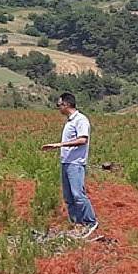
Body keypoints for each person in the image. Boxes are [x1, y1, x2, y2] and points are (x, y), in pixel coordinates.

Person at [42, 92, 98, 238]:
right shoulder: (69, 121)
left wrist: (58, 145)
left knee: (78, 194)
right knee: (69, 197)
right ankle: (77, 224)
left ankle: (91, 222)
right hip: (66, 163)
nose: (58, 108)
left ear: (66, 104)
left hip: (75, 163)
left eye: (59, 105)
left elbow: (82, 140)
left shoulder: (81, 120)